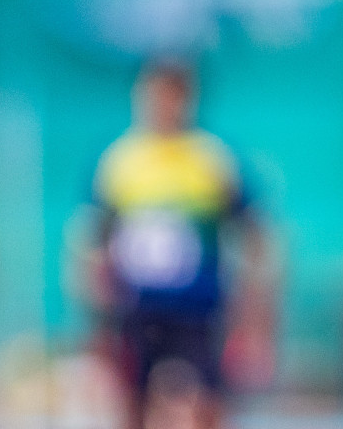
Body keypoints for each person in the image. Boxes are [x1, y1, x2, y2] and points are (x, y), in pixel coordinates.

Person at [85, 61, 271, 429]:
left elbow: (253, 230)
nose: (163, 105)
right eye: (154, 95)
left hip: (198, 307)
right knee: (132, 401)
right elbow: (97, 239)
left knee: (208, 401)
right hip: (137, 307)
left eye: (173, 96)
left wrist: (253, 308)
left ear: (188, 100)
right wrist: (98, 310)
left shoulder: (211, 159)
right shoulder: (121, 161)